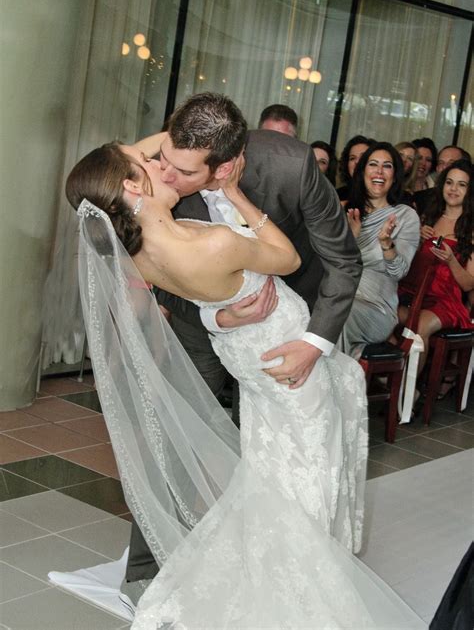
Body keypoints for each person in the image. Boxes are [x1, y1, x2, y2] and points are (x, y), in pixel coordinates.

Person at [65, 142, 426, 629]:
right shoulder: (206, 239)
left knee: (268, 470)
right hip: (282, 364)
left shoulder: (141, 247)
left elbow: (205, 288)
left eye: (172, 159)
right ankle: (301, 588)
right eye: (153, 162)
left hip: (256, 357)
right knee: (308, 469)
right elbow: (285, 259)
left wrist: (223, 312)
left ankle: (277, 564)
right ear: (131, 184)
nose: (163, 166)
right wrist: (235, 194)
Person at [339, 143, 420, 359]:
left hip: (375, 308)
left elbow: (399, 272)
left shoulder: (405, 216)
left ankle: (327, 387)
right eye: (373, 164)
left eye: (387, 166)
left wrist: (386, 244)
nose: (379, 172)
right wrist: (351, 240)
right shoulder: (345, 211)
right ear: (362, 171)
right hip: (338, 294)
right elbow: (327, 264)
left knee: (336, 314)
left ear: (395, 175)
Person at [398, 160, 474, 384]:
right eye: (449, 182)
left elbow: (469, 284)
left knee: (419, 326)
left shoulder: (470, 228)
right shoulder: (428, 217)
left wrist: (451, 260)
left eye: (462, 185)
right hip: (411, 293)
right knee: (384, 318)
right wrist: (416, 238)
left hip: (444, 301)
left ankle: (407, 395)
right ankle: (390, 382)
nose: (453, 189)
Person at [414, 144, 471, 217]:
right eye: (441, 163)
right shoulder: (420, 199)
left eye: (451, 163)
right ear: (437, 168)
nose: (444, 167)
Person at [336, 134, 374, 202]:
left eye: (363, 157)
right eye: (352, 158)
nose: (357, 161)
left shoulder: (385, 197)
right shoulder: (337, 196)